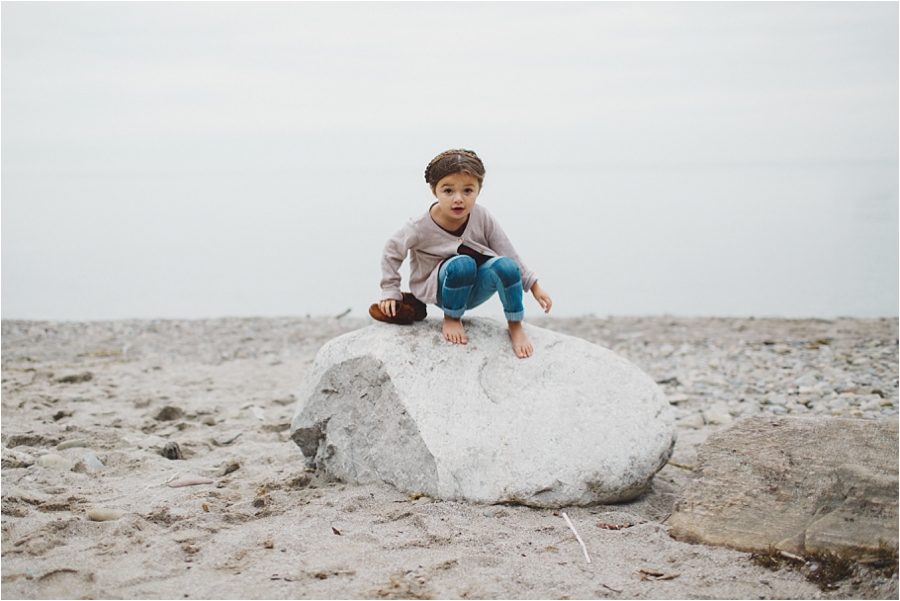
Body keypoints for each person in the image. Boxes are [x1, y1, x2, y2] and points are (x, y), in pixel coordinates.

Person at [369, 149, 552, 358]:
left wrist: (535, 286)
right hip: (443, 289)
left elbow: (507, 250)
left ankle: (515, 324)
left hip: (475, 288)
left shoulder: (482, 216)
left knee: (506, 265)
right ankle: (452, 317)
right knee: (462, 264)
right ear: (433, 190)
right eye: (448, 191)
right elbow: (392, 251)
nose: (458, 199)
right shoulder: (419, 226)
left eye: (467, 190)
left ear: (479, 189)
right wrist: (390, 291)